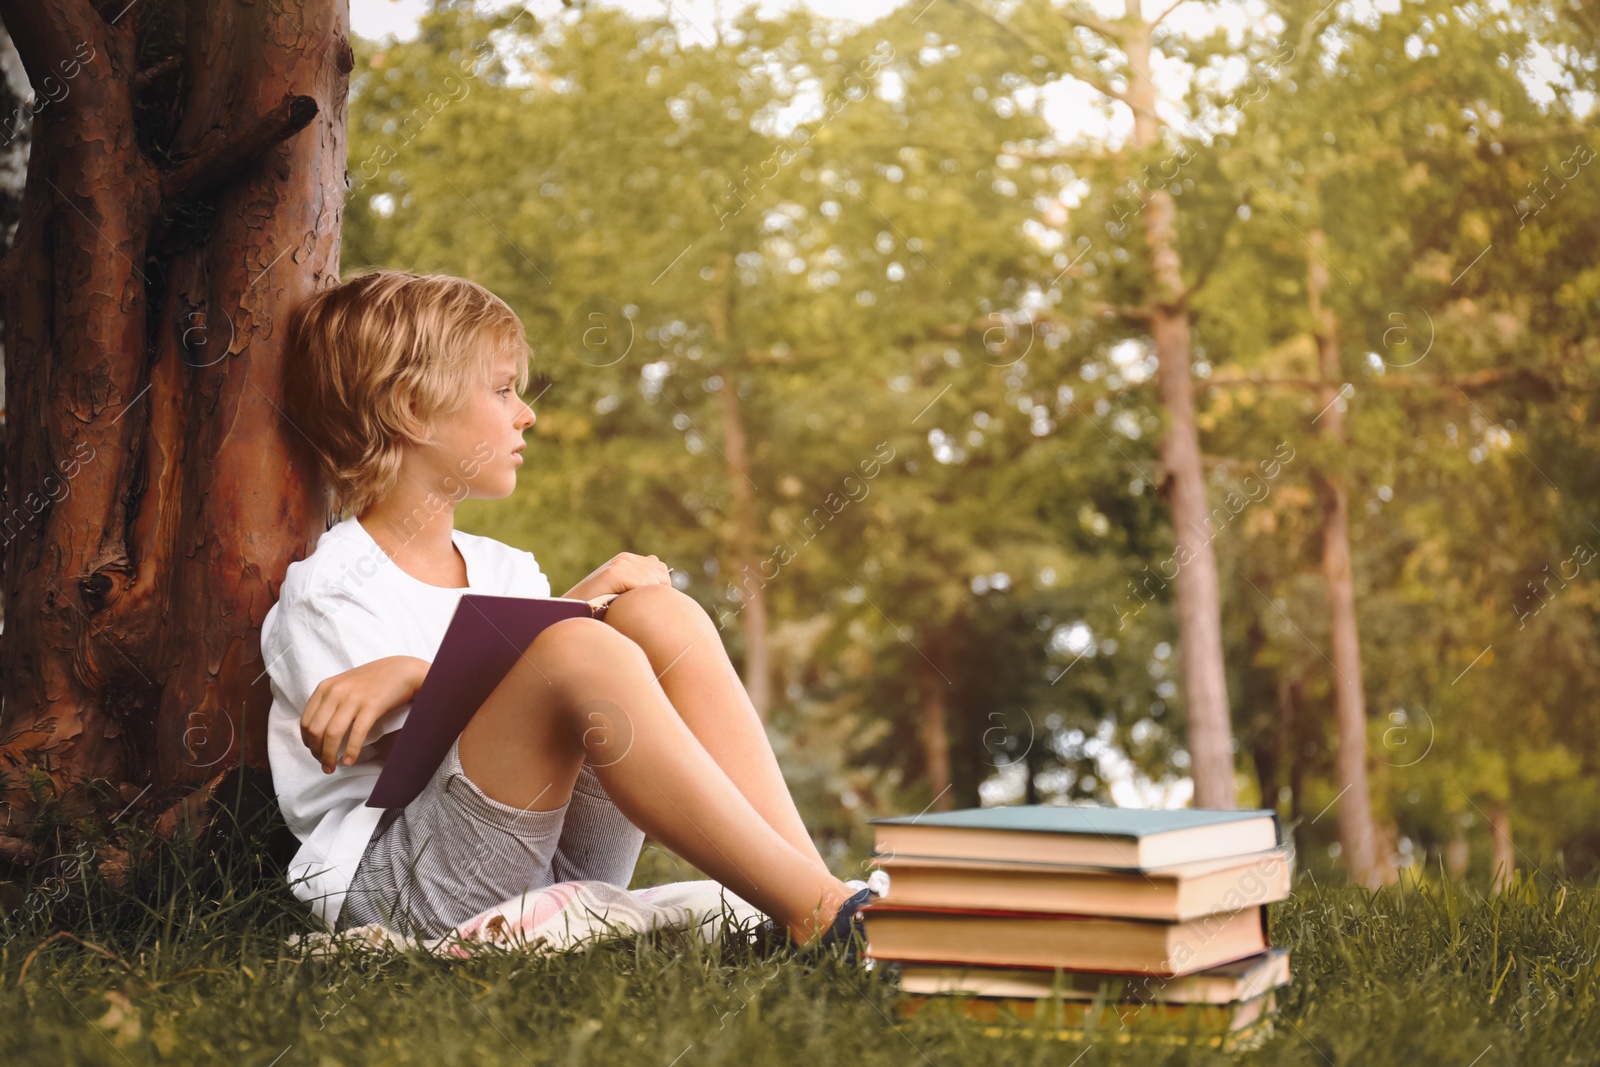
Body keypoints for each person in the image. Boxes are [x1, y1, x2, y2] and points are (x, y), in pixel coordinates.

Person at [261, 269, 872, 951]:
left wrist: (578, 606)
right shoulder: (333, 589)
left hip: (544, 854)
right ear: (411, 407)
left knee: (657, 615)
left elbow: (534, 684)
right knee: (576, 646)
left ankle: (821, 902)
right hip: (409, 882)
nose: (527, 413)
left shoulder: (504, 568)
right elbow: (416, 752)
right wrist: (429, 668)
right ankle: (821, 913)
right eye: (501, 390)